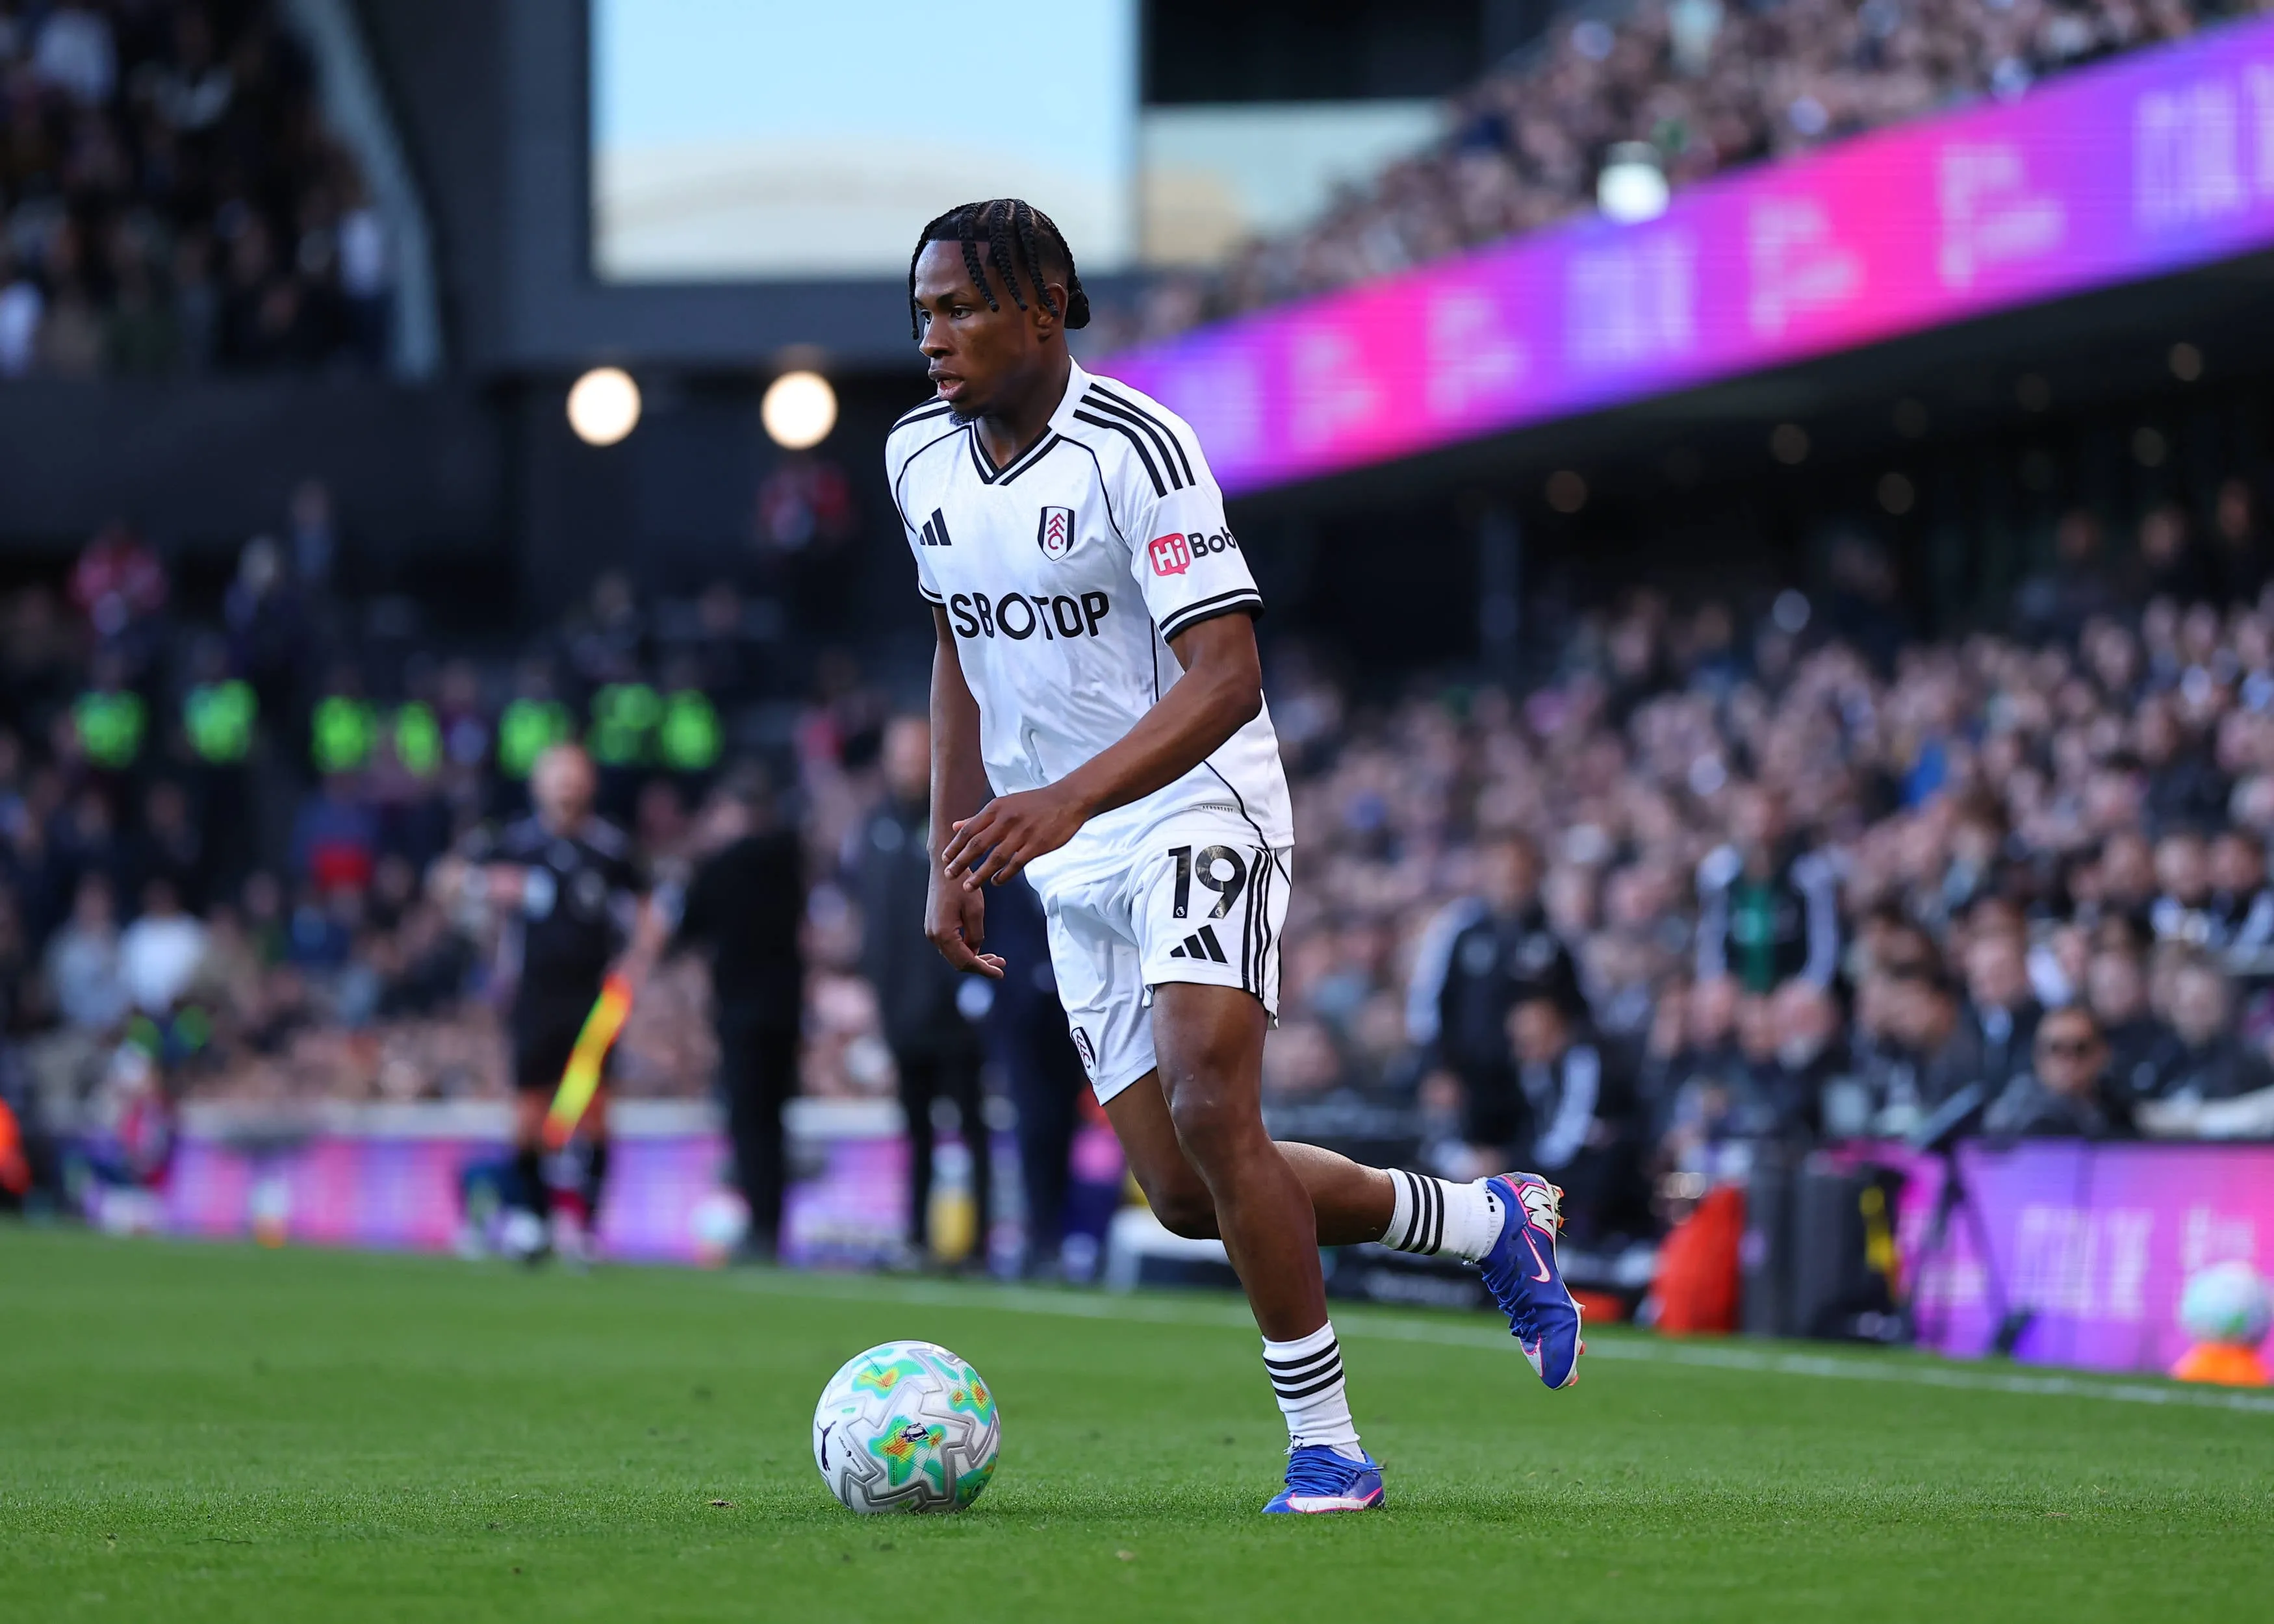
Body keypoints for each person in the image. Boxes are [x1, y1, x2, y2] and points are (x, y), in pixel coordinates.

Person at [895, 197, 1579, 1517]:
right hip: (1066, 848)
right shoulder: (915, 456)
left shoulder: (1137, 449)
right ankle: (1490, 1221)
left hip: (1194, 798)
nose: (935, 336)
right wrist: (952, 847)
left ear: (1043, 304)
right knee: (1185, 1191)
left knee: (1215, 1100)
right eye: (923, 312)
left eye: (962, 307)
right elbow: (953, 651)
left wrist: (1063, 801)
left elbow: (1226, 675)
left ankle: (1327, 1446)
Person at [433, 744, 648, 1265]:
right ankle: (533, 1219)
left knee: (593, 1111)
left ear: (589, 785)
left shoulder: (610, 850)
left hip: (595, 1001)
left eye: (575, 778)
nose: (566, 789)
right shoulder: (514, 844)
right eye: (557, 778)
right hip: (534, 997)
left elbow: (647, 913)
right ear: (539, 786)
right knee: (530, 1112)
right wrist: (492, 886)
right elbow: (445, 879)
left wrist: (636, 968)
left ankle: (587, 1227)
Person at [858, 715, 994, 1267]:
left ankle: (980, 1243)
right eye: (902, 755)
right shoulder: (873, 829)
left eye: (919, 754)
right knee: (914, 1130)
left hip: (957, 1011)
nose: (910, 766)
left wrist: (974, 989)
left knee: (970, 1127)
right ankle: (916, 1236)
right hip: (901, 1013)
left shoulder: (958, 825)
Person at [674, 767, 804, 1260]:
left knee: (748, 1122)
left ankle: (761, 1228)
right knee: (774, 1122)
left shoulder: (720, 866)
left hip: (740, 1012)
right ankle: (772, 1223)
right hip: (784, 1010)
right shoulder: (788, 858)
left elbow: (687, 924)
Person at [1983, 1007, 2132, 1139]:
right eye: (2055, 1048)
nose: (2068, 1060)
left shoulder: (2118, 1111)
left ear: (2102, 1054)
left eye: (2080, 1049)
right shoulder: (2013, 1120)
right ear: (2037, 1056)